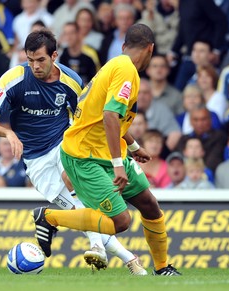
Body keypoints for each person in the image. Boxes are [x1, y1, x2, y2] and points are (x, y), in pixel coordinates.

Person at [0, 29, 148, 275]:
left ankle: (101, 249)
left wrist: (131, 145)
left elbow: (99, 116)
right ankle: (130, 259)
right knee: (80, 213)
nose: (35, 66)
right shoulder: (13, 79)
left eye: (41, 60)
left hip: (67, 144)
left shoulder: (71, 81)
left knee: (79, 190)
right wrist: (8, 133)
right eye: (30, 60)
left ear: (54, 55)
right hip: (36, 160)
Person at [32, 23, 181, 276]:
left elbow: (112, 117)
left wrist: (133, 146)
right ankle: (48, 217)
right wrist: (118, 165)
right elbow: (110, 115)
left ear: (124, 47)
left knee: (149, 203)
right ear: (151, 49)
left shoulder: (117, 64)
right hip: (84, 156)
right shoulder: (126, 71)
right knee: (120, 221)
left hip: (105, 150)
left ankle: (162, 267)